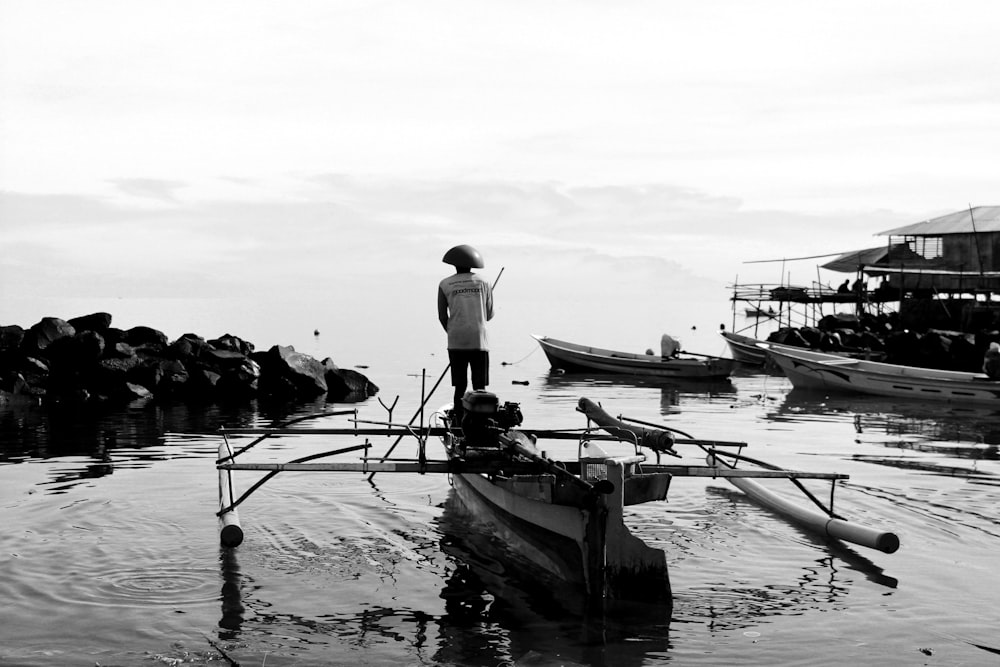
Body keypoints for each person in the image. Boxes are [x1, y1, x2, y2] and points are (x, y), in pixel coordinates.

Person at [438, 244, 494, 422]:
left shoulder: (445, 284)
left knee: (460, 386)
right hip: (479, 340)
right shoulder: (484, 282)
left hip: (456, 341)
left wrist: (452, 332)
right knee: (480, 386)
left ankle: (458, 422)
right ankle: (482, 422)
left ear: (453, 264)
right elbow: (490, 314)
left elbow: (441, 316)